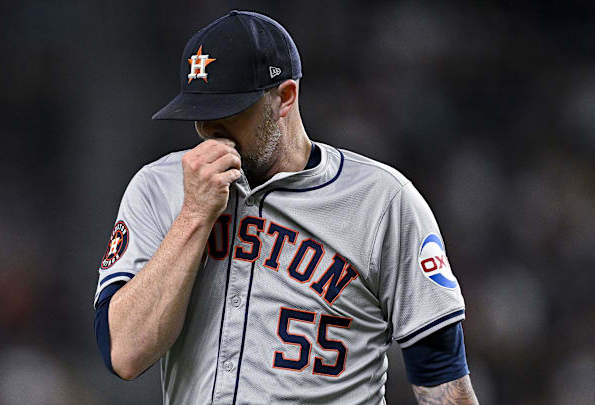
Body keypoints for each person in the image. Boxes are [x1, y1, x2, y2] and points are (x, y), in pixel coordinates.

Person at [93, 10, 479, 405]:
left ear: (285, 97)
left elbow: (442, 376)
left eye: (228, 111)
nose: (209, 130)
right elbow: (123, 353)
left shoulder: (383, 201)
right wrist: (194, 215)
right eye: (199, 113)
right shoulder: (159, 188)